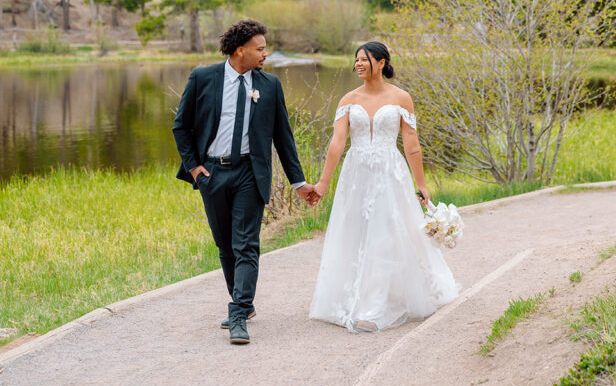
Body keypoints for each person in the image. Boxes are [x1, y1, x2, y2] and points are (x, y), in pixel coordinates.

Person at [173, 19, 315, 345]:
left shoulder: (270, 85)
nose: (266, 54)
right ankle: (244, 302)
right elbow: (181, 127)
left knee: (246, 244)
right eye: (260, 49)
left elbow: (283, 138)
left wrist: (298, 182)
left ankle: (238, 314)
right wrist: (194, 169)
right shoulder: (203, 78)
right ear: (240, 50)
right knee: (225, 245)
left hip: (251, 172)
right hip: (212, 173)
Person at [309, 41, 459, 333]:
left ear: (381, 62)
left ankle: (374, 307)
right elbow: (337, 143)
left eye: (364, 59)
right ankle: (351, 297)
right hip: (356, 176)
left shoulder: (401, 98)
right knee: (354, 232)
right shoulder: (348, 100)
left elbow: (411, 143)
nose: (358, 64)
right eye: (356, 60)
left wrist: (421, 183)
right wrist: (323, 183)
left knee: (385, 235)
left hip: (390, 174)